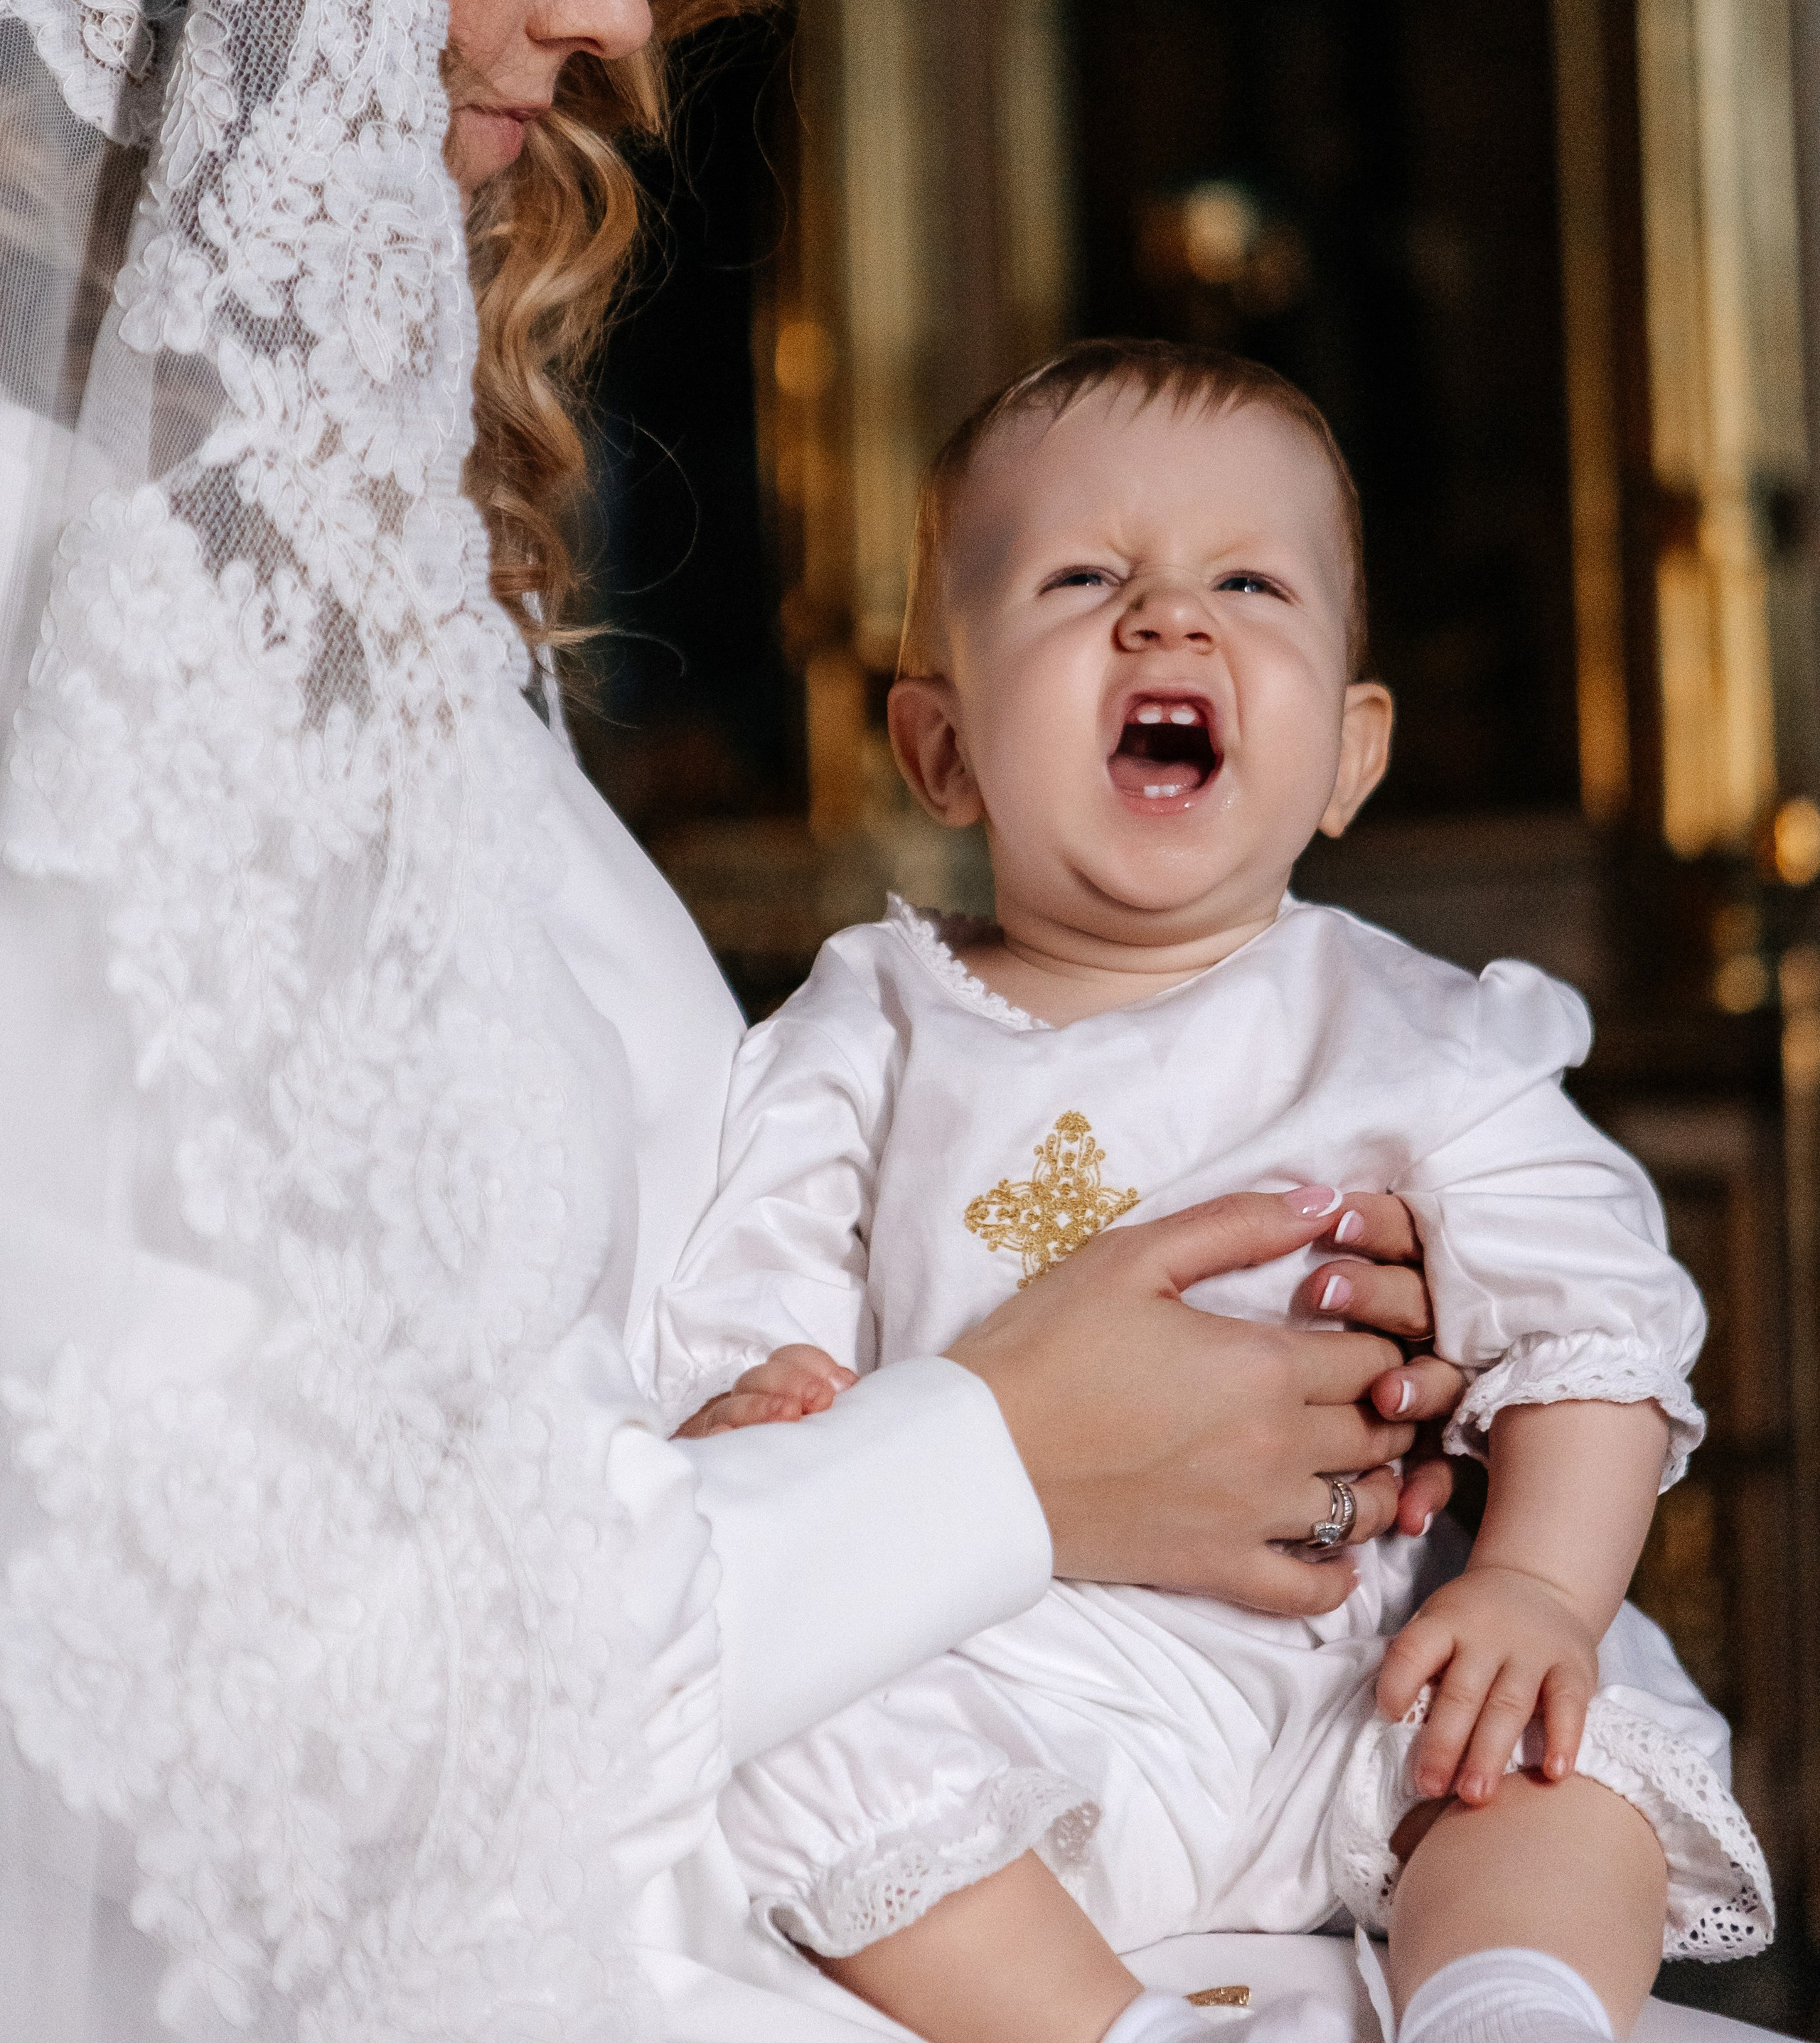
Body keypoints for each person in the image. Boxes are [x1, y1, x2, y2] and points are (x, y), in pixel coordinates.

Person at [0, 0, 1473, 2037]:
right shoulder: (42, 580)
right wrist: (1011, 1463)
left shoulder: (373, 585)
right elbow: (212, 1712)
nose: (610, 15)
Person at [651, 341, 1773, 2043]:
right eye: (1083, 576)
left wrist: (1534, 1583)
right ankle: (1106, 2028)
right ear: (938, 747)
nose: (1166, 620)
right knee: (780, 1729)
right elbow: (753, 1270)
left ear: (1344, 749)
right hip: (1004, 1684)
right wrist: (767, 1393)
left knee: (1559, 1722)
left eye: (1244, 581)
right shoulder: (866, 1022)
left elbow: (1590, 1322)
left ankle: (1507, 2002)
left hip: (1358, 1666)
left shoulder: (1410, 1033)